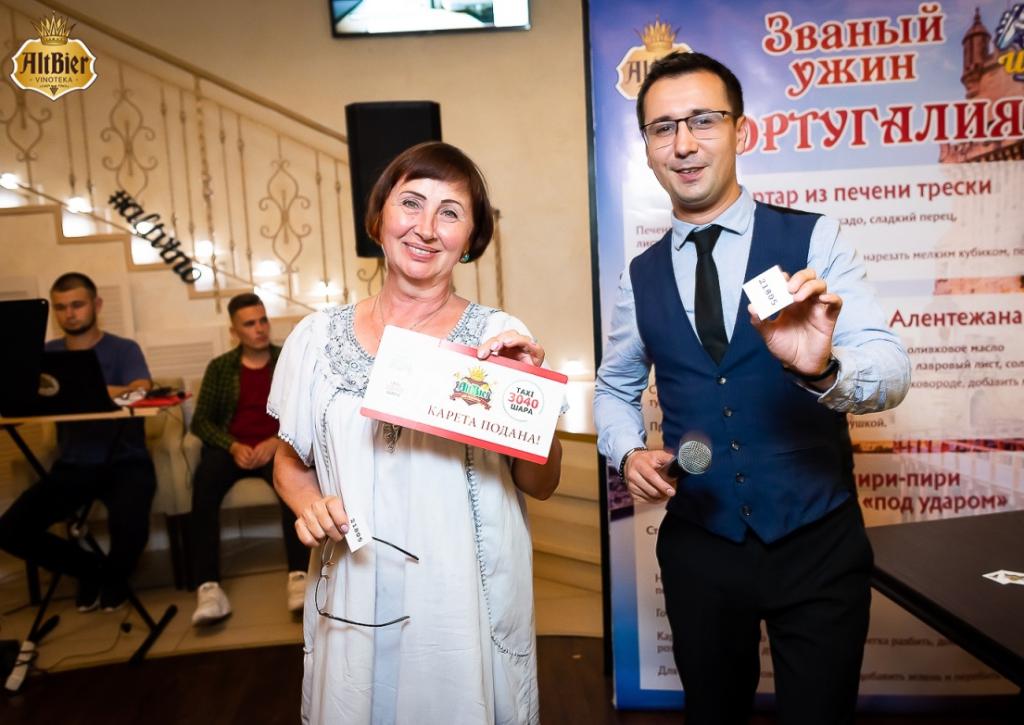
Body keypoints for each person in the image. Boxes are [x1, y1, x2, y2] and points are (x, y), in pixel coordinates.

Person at [593, 52, 911, 725]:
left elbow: (891, 368)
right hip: (700, 547)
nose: (683, 144)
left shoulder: (813, 238)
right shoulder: (640, 277)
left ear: (743, 130)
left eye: (703, 121)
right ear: (646, 147)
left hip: (817, 542)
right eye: (662, 128)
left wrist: (823, 369)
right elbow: (614, 388)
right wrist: (626, 451)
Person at [269, 141, 561, 724]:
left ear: (470, 239)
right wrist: (308, 504)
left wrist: (530, 406)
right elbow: (290, 463)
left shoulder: (497, 338)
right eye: (411, 203)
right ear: (378, 218)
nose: (426, 228)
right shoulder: (316, 338)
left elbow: (541, 483)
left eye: (450, 212)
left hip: (461, 603)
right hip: (352, 584)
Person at [0, 272, 157, 611]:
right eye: (61, 307)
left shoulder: (123, 349)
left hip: (125, 460)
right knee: (11, 529)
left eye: (77, 305)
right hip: (74, 465)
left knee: (131, 523)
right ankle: (97, 572)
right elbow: (24, 398)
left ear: (96, 305)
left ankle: (113, 577)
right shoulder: (46, 354)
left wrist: (86, 391)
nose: (69, 314)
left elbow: (142, 388)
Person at [188, 293, 310, 626]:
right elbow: (201, 422)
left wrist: (277, 440)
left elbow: (306, 410)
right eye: (249, 324)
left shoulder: (287, 359)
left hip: (276, 447)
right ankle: (208, 587)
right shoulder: (220, 368)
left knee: (294, 481)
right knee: (203, 484)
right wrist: (231, 445)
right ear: (234, 331)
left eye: (262, 320)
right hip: (233, 449)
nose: (259, 329)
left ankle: (300, 576)